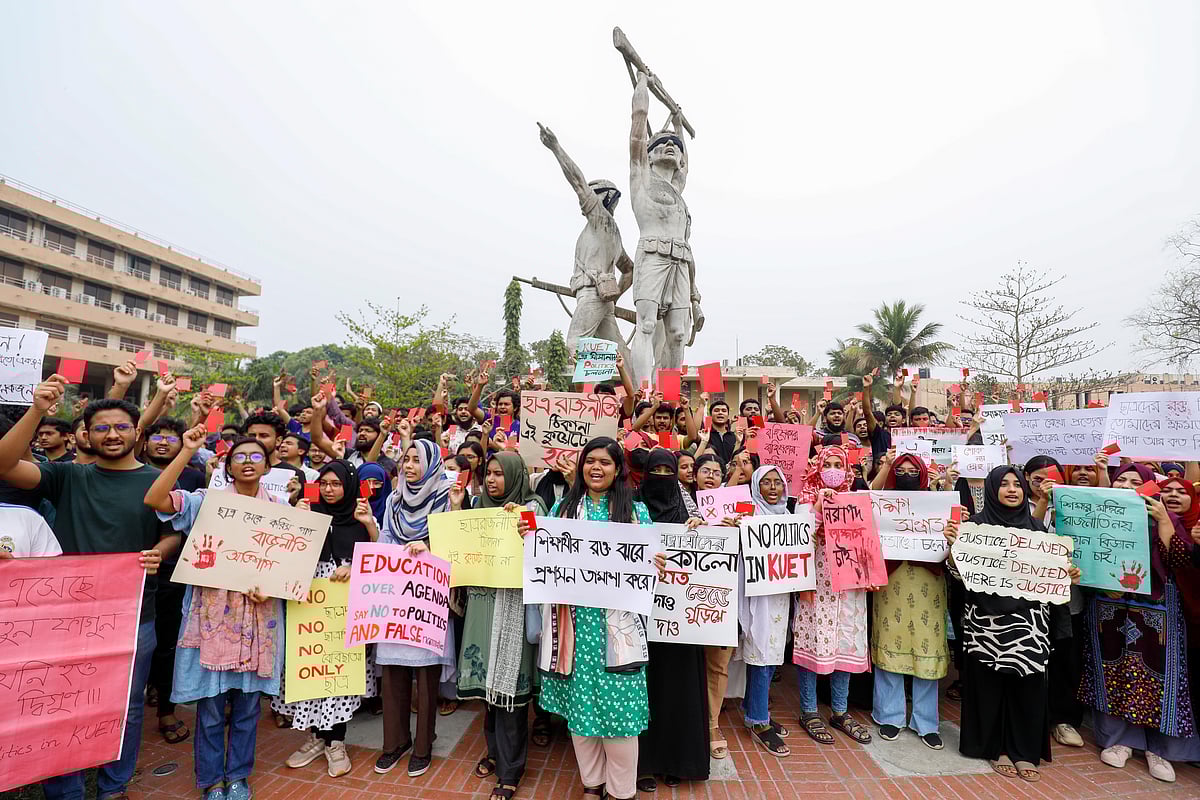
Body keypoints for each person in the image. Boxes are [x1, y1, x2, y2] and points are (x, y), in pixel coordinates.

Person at [0, 378, 177, 800]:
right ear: (85, 434)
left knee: (128, 708)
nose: (111, 434)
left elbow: (176, 533)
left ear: (138, 433)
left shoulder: (157, 483)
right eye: (101, 427)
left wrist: (161, 550)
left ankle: (114, 786)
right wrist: (37, 409)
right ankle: (67, 787)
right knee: (59, 706)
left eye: (120, 427)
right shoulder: (65, 478)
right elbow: (5, 463)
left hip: (136, 616)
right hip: (62, 618)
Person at [143, 428, 288, 800]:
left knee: (247, 707)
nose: (248, 462)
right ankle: (211, 780)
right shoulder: (206, 502)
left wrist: (270, 587)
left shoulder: (283, 513)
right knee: (209, 710)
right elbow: (155, 498)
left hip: (260, 619)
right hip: (211, 620)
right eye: (240, 456)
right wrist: (187, 451)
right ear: (227, 465)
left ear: (268, 465)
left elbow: (290, 570)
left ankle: (238, 776)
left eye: (257, 456)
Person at [519, 437, 655, 800]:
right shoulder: (563, 509)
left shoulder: (636, 513)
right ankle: (593, 785)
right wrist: (528, 534)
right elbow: (543, 554)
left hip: (618, 634)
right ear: (580, 467)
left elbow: (651, 567)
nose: (596, 468)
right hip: (574, 630)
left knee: (620, 718)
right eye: (590, 461)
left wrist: (655, 560)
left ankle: (622, 790)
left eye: (605, 462)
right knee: (581, 716)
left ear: (618, 469)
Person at [946, 465, 1080, 783]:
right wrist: (954, 547)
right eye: (1003, 484)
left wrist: (1067, 574)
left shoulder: (1037, 530)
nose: (1011, 490)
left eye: (1016, 485)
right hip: (985, 624)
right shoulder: (975, 527)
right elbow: (958, 574)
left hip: (1029, 624)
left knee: (1027, 688)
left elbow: (1052, 572)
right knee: (989, 688)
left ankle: (1024, 750)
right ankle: (995, 748)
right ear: (992, 490)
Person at [1078, 462, 1199, 782]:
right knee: (1113, 669)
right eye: (1121, 481)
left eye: (1135, 481)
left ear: (1149, 487)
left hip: (1157, 609)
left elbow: (1180, 561)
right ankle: (1119, 741)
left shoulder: (1166, 517)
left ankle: (1159, 749)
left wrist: (1162, 522)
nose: (1127, 485)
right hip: (1109, 604)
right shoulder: (1097, 515)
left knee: (1159, 674)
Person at [451, 451, 547, 800]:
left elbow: (546, 551)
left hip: (513, 608)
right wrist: (458, 508)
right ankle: (494, 752)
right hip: (482, 606)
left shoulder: (533, 507)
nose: (491, 480)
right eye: (488, 473)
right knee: (486, 687)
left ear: (515, 475)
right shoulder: (477, 505)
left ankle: (510, 770)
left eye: (499, 474)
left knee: (511, 692)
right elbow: (458, 548)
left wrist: (522, 527)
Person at [277, 459, 380, 778]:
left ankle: (336, 742)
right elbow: (288, 556)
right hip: (310, 605)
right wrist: (301, 522)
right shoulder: (308, 513)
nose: (329, 490)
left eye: (336, 484)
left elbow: (380, 561)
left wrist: (358, 557)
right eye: (324, 483)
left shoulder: (362, 518)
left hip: (347, 605)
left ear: (349, 486)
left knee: (340, 673)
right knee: (312, 671)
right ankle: (316, 739)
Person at [374, 438, 456, 778]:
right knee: (393, 672)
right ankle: (395, 742)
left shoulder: (446, 501)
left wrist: (430, 545)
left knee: (425, 677)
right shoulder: (393, 500)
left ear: (432, 465)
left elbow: (454, 548)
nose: (409, 466)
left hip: (426, 602)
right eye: (405, 460)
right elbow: (385, 542)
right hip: (397, 601)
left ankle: (423, 745)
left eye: (416, 460)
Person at [636, 450, 709, 790]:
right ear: (645, 474)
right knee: (644, 688)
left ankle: (679, 759)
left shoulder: (688, 506)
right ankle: (645, 763)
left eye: (669, 469)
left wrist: (702, 529)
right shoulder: (632, 506)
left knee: (679, 688)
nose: (663, 475)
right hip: (639, 617)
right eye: (657, 470)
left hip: (680, 620)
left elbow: (712, 550)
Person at [791, 446, 873, 746]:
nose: (835, 469)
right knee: (814, 641)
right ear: (818, 466)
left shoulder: (855, 499)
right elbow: (797, 538)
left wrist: (870, 573)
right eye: (829, 464)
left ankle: (840, 710)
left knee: (845, 644)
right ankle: (809, 710)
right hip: (817, 583)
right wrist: (816, 510)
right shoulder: (806, 498)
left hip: (849, 585)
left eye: (840, 464)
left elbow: (868, 540)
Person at [868, 452, 948, 749]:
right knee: (891, 644)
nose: (905, 475)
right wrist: (885, 466)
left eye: (912, 471)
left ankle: (926, 721)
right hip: (892, 582)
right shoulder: (882, 502)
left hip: (930, 582)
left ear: (923, 474)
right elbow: (867, 501)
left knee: (927, 647)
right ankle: (890, 715)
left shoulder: (938, 504)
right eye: (899, 471)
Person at [737, 464, 795, 757]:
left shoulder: (788, 518)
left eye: (778, 483)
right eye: (766, 483)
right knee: (759, 652)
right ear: (756, 487)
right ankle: (758, 721)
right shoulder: (751, 517)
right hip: (758, 598)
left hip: (781, 595)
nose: (773, 488)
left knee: (773, 653)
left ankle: (753, 706)